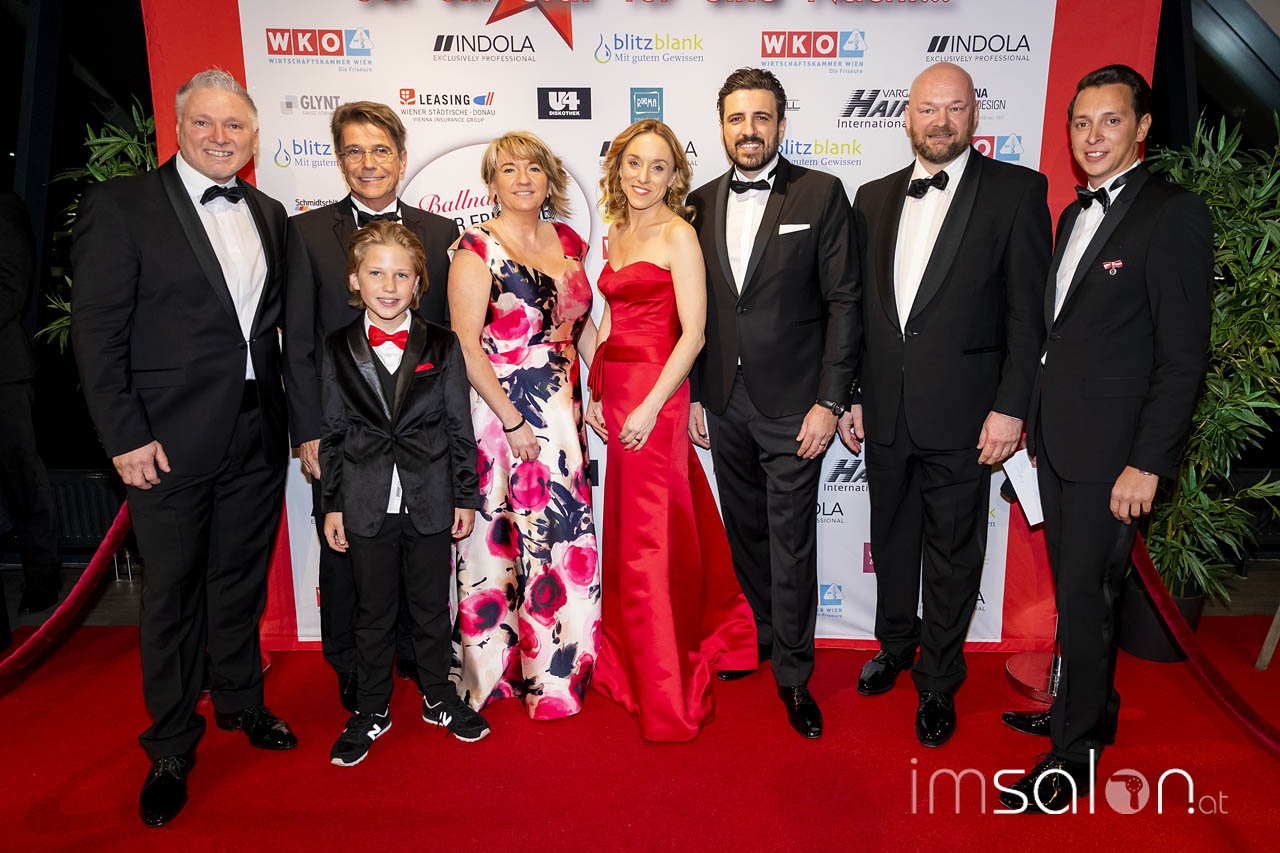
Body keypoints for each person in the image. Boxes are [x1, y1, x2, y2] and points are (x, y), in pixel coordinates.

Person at [71, 70, 297, 828]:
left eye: (234, 125)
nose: (219, 137)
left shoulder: (269, 213)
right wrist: (124, 436)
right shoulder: (122, 205)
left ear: (253, 136)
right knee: (170, 592)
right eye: (204, 123)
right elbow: (97, 333)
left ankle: (239, 699)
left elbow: (271, 332)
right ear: (179, 127)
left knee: (238, 579)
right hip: (163, 440)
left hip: (255, 428)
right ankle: (170, 744)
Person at [998, 65, 1210, 812]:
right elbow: (1060, 336)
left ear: (1142, 127)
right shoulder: (1070, 215)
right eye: (1081, 123)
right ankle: (1087, 710)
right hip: (1060, 444)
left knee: (1087, 601)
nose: (1093, 137)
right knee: (1080, 595)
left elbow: (1182, 357)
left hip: (1114, 457)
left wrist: (1147, 463)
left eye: (1110, 121)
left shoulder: (1173, 214)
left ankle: (1072, 755)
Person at [839, 61, 1050, 748]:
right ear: (907, 117)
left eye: (954, 108)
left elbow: (1028, 318)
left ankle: (938, 680)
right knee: (892, 539)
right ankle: (896, 644)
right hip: (886, 411)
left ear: (974, 116)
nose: (940, 121)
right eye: (928, 109)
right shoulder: (871, 197)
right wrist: (854, 394)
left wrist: (1012, 408)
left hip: (968, 417)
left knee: (955, 552)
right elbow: (860, 312)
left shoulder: (1017, 192)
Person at [687, 68, 861, 739]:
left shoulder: (820, 192)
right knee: (747, 531)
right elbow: (694, 311)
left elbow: (844, 302)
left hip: (795, 405)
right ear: (722, 127)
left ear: (782, 125)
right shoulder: (699, 203)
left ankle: (794, 673)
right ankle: (759, 634)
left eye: (762, 117)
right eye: (737, 118)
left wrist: (830, 400)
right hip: (724, 401)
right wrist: (698, 393)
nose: (749, 130)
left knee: (790, 541)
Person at [284, 101, 459, 713]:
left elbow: (447, 337)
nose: (368, 162)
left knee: (418, 541)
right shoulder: (306, 233)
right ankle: (351, 666)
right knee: (345, 553)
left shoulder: (441, 234)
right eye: (354, 151)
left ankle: (414, 653)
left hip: (422, 436)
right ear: (339, 160)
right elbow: (298, 341)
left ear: (402, 158)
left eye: (381, 149)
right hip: (346, 433)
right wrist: (308, 429)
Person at [587, 120, 757, 742]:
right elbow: (611, 318)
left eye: (658, 167)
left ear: (673, 176)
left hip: (657, 395)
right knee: (634, 527)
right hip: (618, 394)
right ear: (619, 167)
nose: (643, 176)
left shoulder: (679, 235)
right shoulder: (617, 230)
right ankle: (632, 655)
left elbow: (695, 334)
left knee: (649, 536)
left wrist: (651, 407)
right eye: (634, 163)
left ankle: (661, 677)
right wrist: (594, 389)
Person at [320, 221, 487, 765]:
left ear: (418, 283)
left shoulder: (442, 343)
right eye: (376, 274)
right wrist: (332, 505)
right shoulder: (336, 346)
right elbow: (333, 432)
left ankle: (439, 696)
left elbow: (460, 426)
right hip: (365, 500)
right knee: (372, 613)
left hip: (430, 496)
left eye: (401, 275)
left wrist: (465, 496)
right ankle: (372, 708)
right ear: (355, 280)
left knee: (431, 608)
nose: (388, 286)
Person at [448, 131, 601, 720]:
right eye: (508, 169)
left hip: (563, 410)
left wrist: (602, 388)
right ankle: (494, 671)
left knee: (560, 536)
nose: (522, 179)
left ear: (548, 179)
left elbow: (580, 326)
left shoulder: (569, 241)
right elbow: (466, 347)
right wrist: (512, 421)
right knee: (502, 541)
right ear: (492, 182)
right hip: (501, 412)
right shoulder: (475, 248)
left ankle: (560, 670)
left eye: (533, 168)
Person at [0, 190, 61, 614]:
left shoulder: (3, 204)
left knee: (21, 477)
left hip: (3, 373)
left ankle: (43, 575)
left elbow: (11, 287)